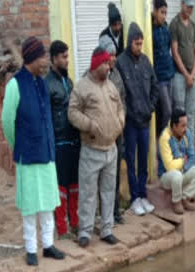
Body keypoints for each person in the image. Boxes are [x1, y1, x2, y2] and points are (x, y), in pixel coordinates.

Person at [1, 37, 66, 267]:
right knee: (29, 205)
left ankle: (47, 245)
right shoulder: (14, 85)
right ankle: (31, 249)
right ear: (31, 58)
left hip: (46, 153)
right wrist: (18, 145)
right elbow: (7, 122)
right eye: (42, 57)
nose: (46, 61)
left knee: (48, 201)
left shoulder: (42, 82)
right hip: (27, 155)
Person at [69, 47, 125, 248]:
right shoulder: (82, 87)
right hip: (92, 149)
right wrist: (90, 125)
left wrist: (120, 124)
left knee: (109, 191)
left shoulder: (110, 86)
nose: (108, 66)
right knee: (88, 192)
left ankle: (106, 229)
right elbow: (72, 112)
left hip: (111, 148)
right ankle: (85, 232)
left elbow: (120, 108)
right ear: (95, 65)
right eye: (104, 63)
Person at [117, 22, 159, 216]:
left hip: (145, 119)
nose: (139, 47)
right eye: (136, 43)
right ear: (129, 42)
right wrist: (128, 114)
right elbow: (120, 94)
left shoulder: (145, 61)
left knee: (143, 159)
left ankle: (142, 195)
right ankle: (134, 198)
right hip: (130, 122)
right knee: (131, 160)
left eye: (141, 43)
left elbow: (155, 86)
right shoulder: (120, 62)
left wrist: (150, 107)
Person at [44, 41, 81, 240]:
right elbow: (47, 117)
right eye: (64, 57)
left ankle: (74, 223)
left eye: (67, 56)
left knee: (74, 184)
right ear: (54, 59)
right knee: (60, 187)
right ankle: (62, 228)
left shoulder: (70, 82)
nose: (67, 60)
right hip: (58, 142)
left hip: (74, 140)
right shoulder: (47, 84)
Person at [98, 35, 127, 224]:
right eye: (110, 55)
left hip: (117, 134)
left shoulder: (116, 75)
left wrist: (121, 121)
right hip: (101, 137)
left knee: (114, 175)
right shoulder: (91, 76)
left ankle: (115, 212)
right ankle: (103, 215)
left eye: (115, 55)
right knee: (102, 177)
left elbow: (122, 100)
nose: (114, 58)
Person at [158, 108, 195, 214]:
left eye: (186, 124)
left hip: (182, 171)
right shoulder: (164, 138)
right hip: (167, 177)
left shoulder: (187, 133)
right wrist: (182, 161)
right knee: (177, 175)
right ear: (174, 126)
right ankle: (176, 201)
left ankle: (185, 198)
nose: (185, 128)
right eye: (182, 125)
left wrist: (184, 167)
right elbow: (169, 166)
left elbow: (192, 157)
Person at [170, 0, 195, 136]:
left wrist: (192, 74)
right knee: (180, 114)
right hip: (179, 75)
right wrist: (186, 75)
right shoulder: (175, 24)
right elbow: (175, 52)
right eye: (188, 6)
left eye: (192, 7)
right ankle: (180, 148)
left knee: (191, 113)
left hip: (192, 76)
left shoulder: (193, 25)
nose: (190, 10)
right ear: (182, 4)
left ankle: (190, 147)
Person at [152, 0, 175, 136]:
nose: (164, 16)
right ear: (155, 11)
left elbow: (167, 49)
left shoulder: (165, 29)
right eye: (162, 12)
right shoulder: (150, 30)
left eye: (166, 13)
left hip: (169, 74)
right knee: (167, 110)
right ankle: (163, 138)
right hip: (159, 78)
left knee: (170, 109)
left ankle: (166, 138)